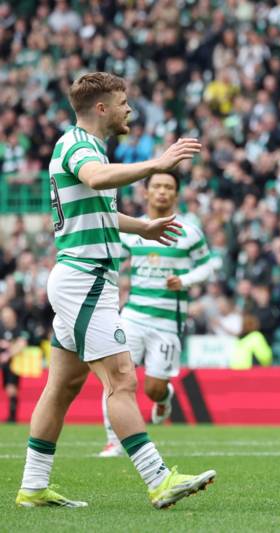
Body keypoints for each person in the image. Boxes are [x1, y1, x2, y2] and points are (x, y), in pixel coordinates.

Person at [16, 72, 214, 509]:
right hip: (84, 279)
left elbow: (96, 202)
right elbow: (99, 178)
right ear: (102, 108)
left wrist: (141, 225)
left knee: (61, 388)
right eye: (123, 102)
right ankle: (159, 480)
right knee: (122, 379)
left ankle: (32, 486)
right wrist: (156, 164)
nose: (130, 110)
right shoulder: (80, 147)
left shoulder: (87, 147)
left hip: (82, 277)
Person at [98, 171, 214, 457]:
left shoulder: (189, 232)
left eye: (168, 187)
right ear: (146, 193)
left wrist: (185, 281)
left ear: (176, 195)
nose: (162, 191)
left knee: (153, 388)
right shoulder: (133, 230)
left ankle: (165, 397)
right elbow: (113, 260)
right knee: (116, 376)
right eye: (157, 186)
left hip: (167, 322)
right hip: (133, 316)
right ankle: (114, 440)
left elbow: (208, 266)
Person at [1, 307, 28, 423]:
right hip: (3, 364)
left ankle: (12, 416)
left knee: (12, 389)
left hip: (14, 364)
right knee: (8, 388)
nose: (6, 318)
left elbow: (22, 343)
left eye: (8, 316)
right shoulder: (1, 329)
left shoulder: (19, 329)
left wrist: (9, 353)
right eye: (4, 316)